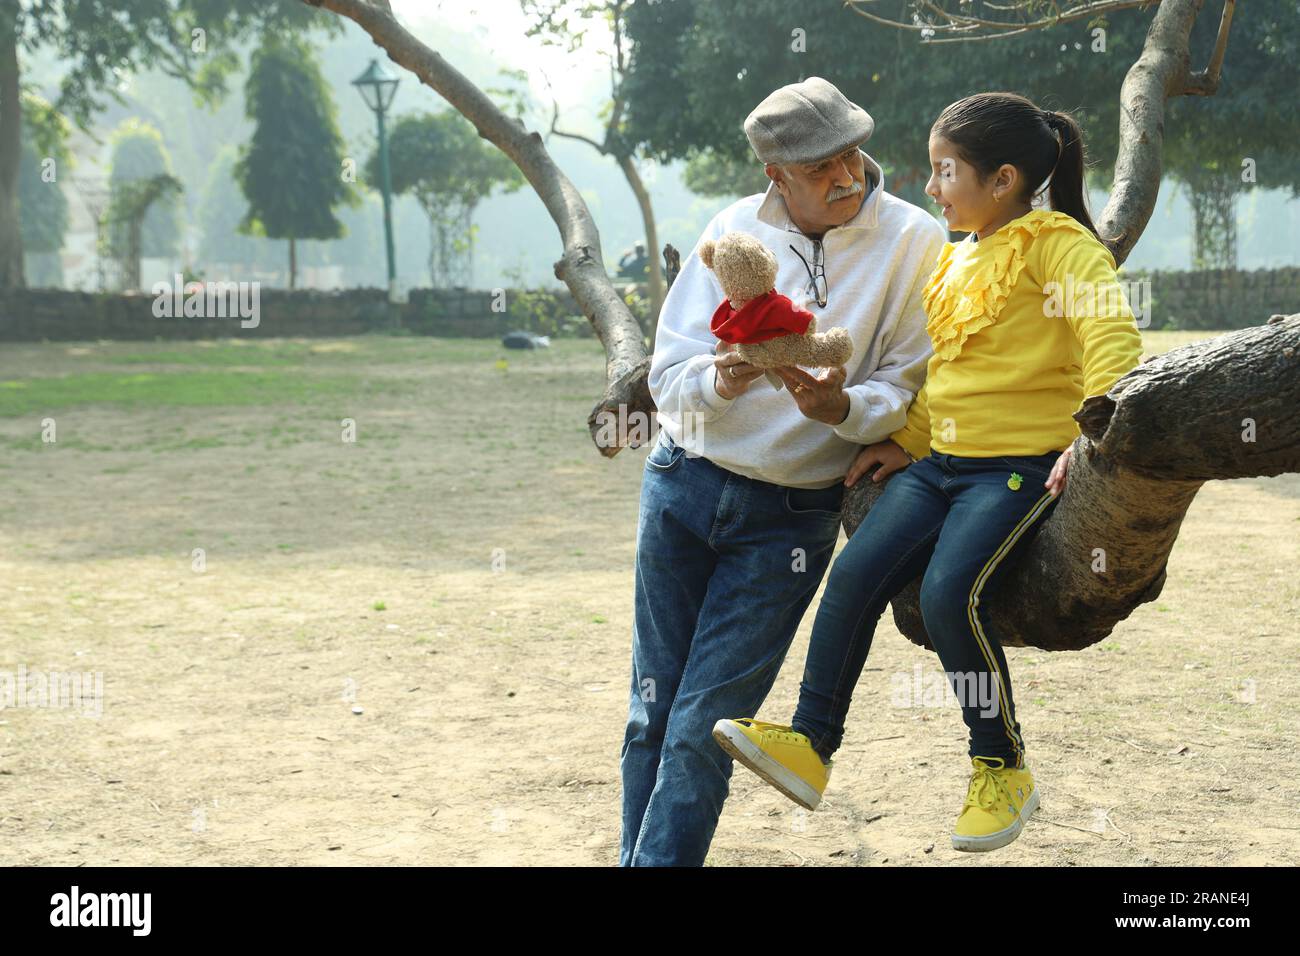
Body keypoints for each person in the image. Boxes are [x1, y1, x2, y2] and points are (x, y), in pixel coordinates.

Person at [714, 91, 1143, 852]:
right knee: (850, 580)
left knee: (951, 594)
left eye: (946, 171)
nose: (934, 186)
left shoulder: (1059, 246)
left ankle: (1001, 767)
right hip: (940, 464)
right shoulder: (958, 257)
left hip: (1015, 471)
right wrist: (905, 440)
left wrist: (1095, 432)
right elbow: (946, 369)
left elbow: (1109, 335)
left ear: (1003, 179)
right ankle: (811, 746)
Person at [620, 77, 946, 866]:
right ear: (776, 176)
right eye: (820, 168)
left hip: (788, 522)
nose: (847, 176)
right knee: (649, 716)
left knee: (702, 729)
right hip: (682, 486)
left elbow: (908, 381)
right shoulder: (730, 232)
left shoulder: (916, 242)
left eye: (851, 154)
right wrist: (724, 379)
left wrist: (844, 409)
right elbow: (669, 380)